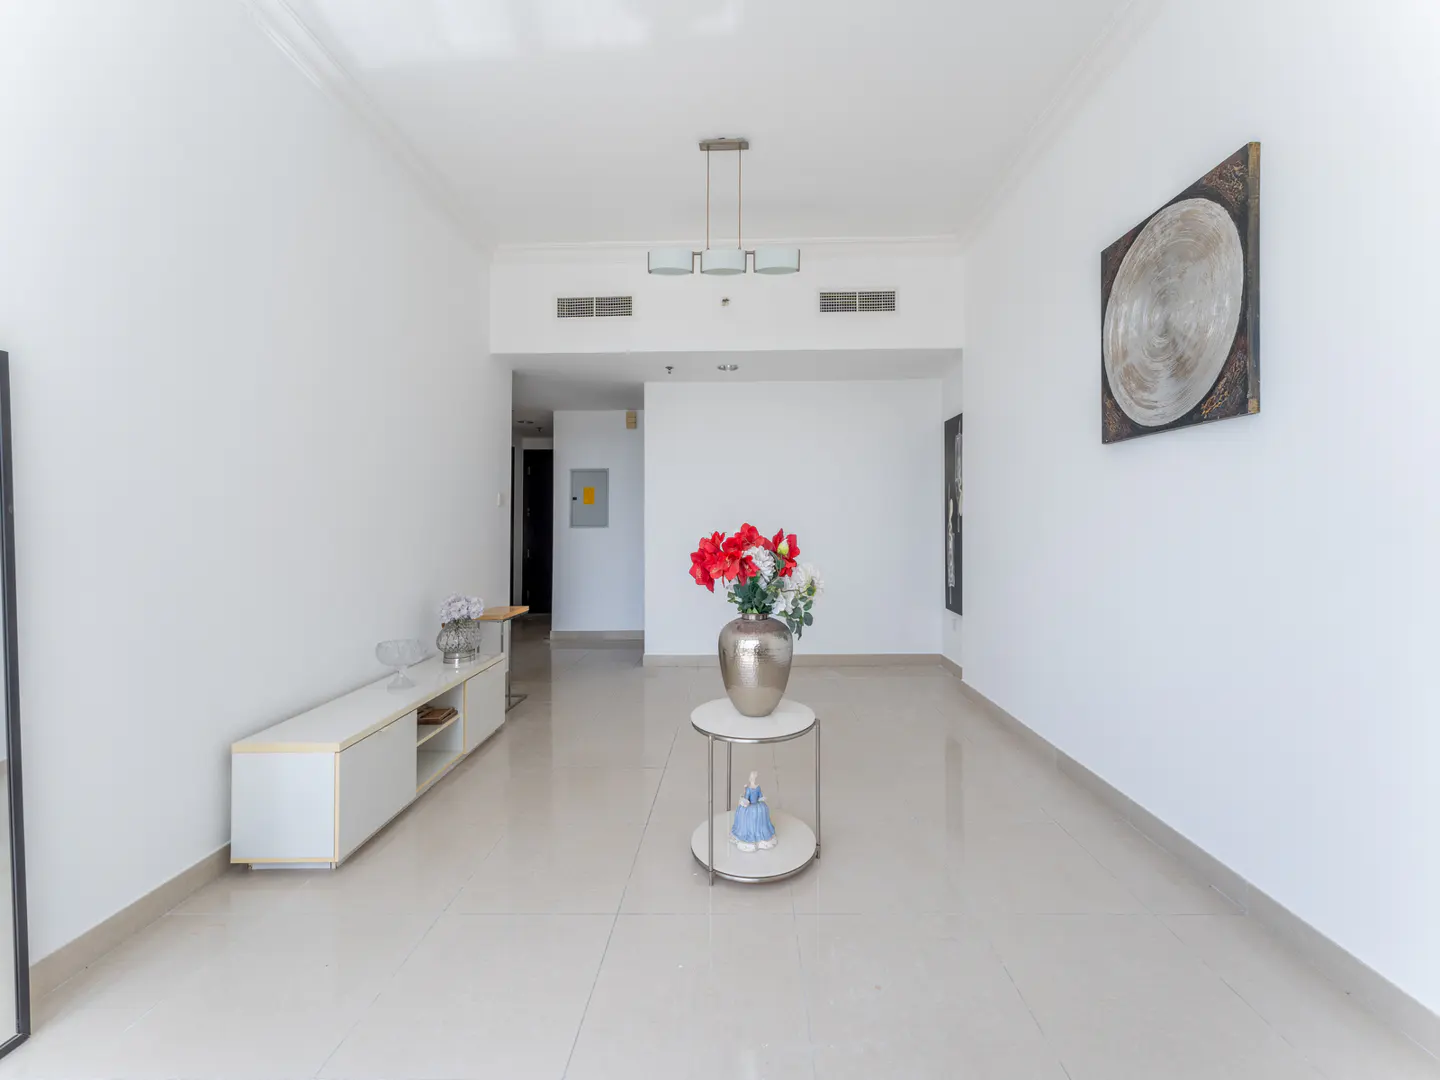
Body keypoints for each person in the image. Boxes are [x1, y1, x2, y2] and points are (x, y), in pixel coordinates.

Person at [729, 770, 777, 852]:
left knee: (746, 813)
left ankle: (755, 836)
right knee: (761, 811)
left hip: (752, 805)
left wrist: (745, 792)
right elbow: (759, 797)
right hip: (756, 805)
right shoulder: (756, 788)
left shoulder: (750, 789)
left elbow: (748, 798)